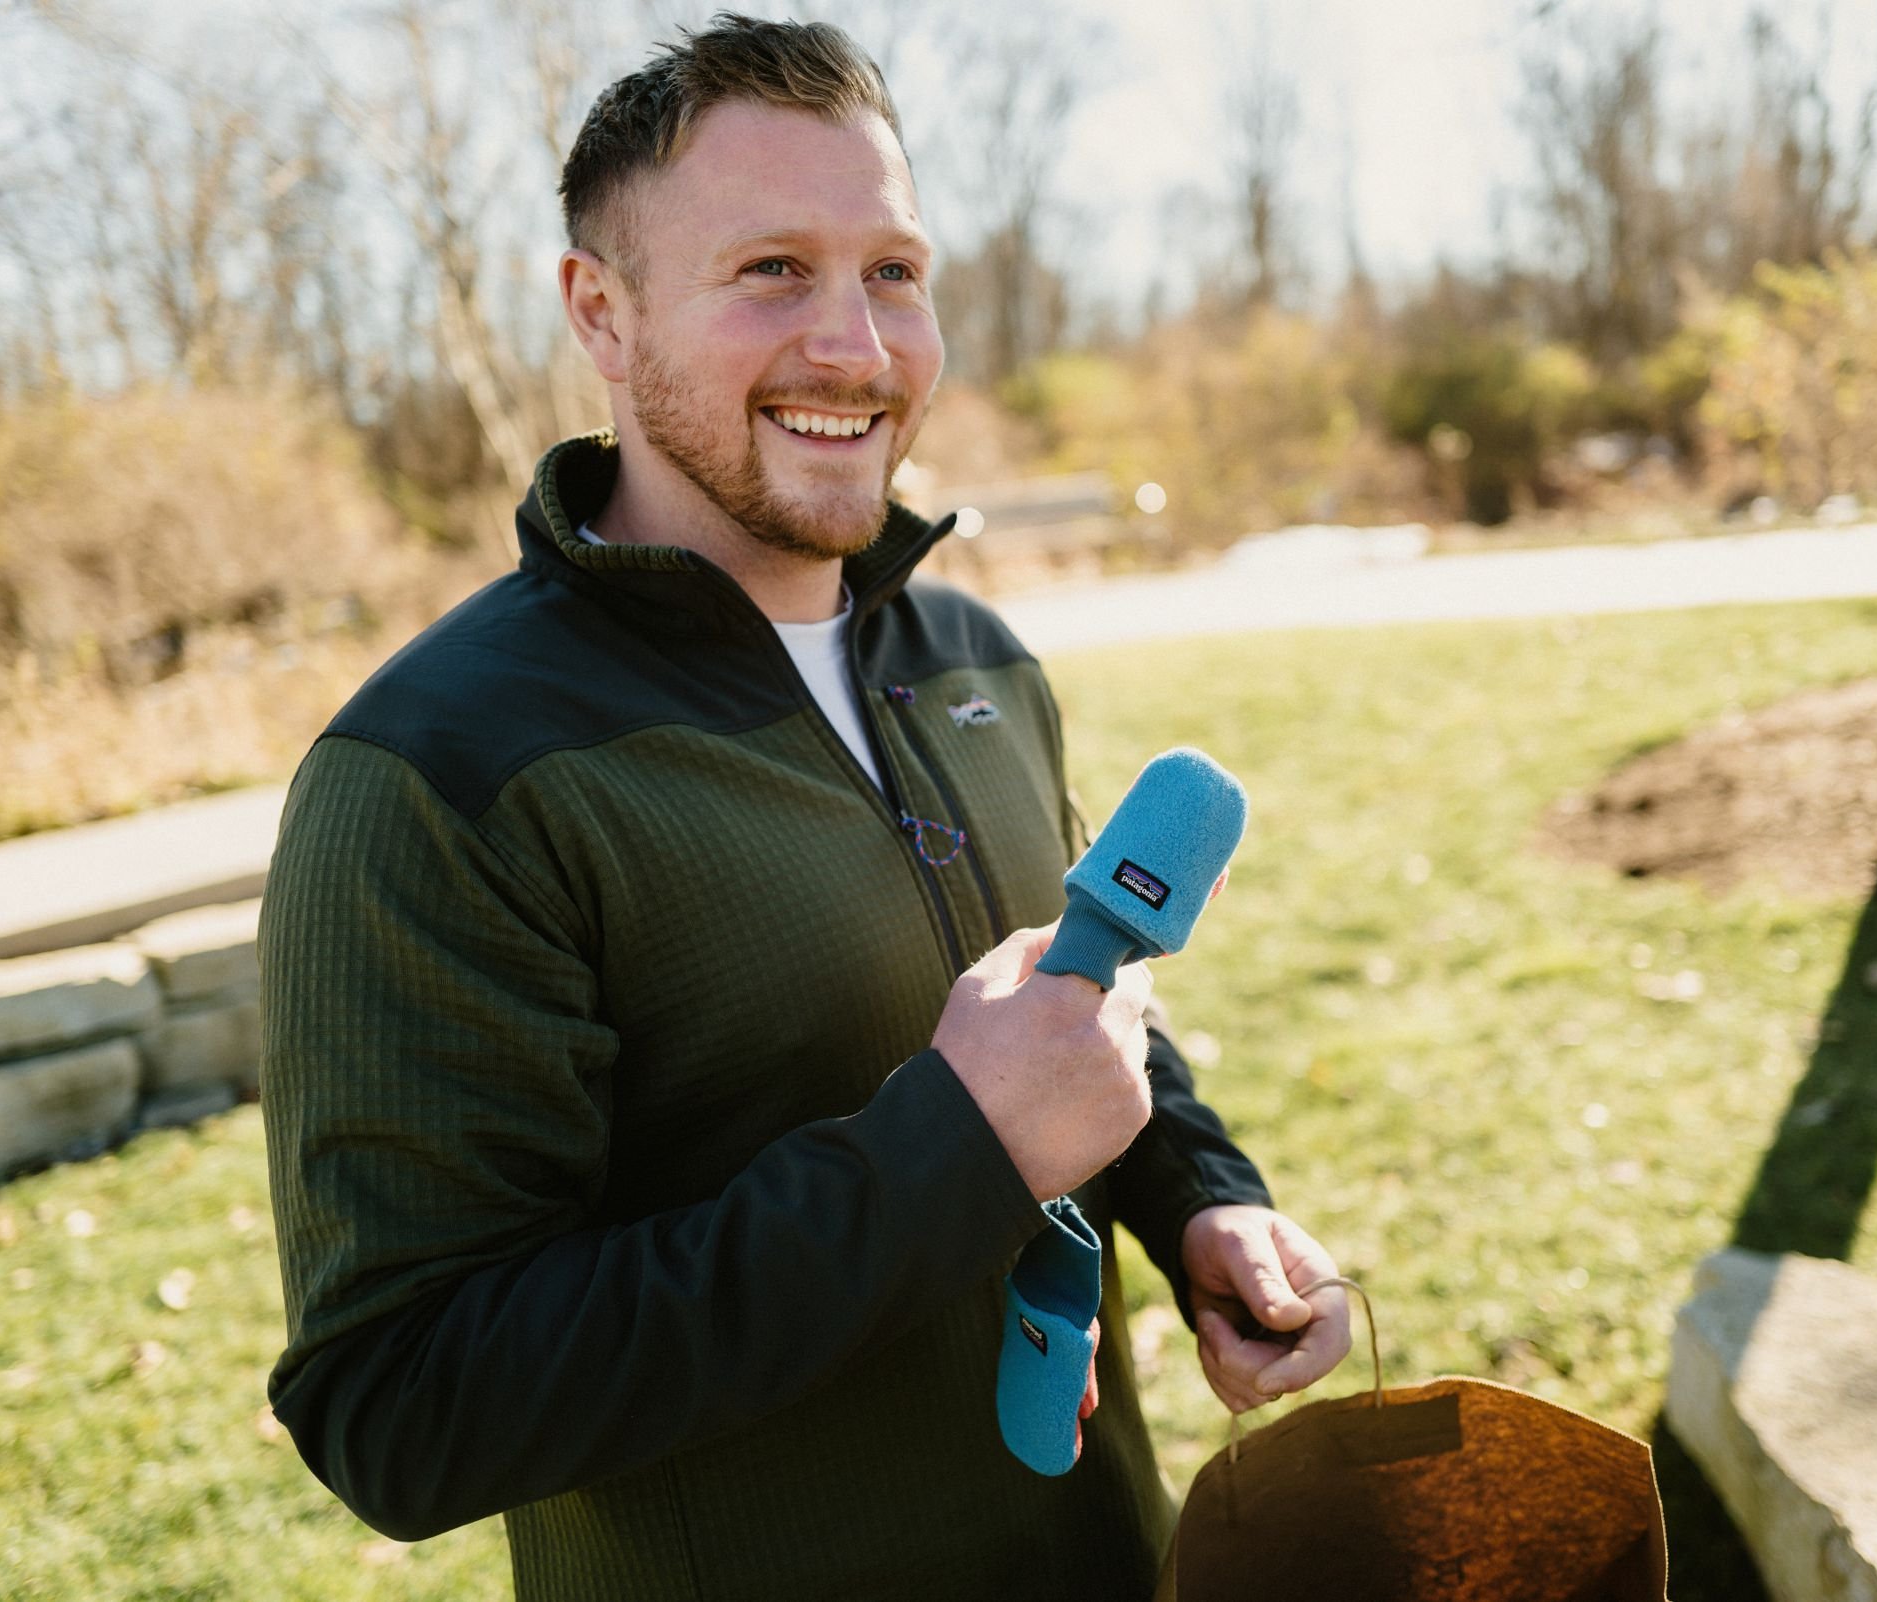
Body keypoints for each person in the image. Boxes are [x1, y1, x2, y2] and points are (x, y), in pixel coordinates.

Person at [258, 15, 1349, 1599]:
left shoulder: (978, 655)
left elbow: (1073, 1003)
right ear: (603, 315)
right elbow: (403, 1408)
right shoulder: (437, 771)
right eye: (773, 269)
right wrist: (952, 1148)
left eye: (894, 271)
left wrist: (1201, 1202)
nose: (858, 345)